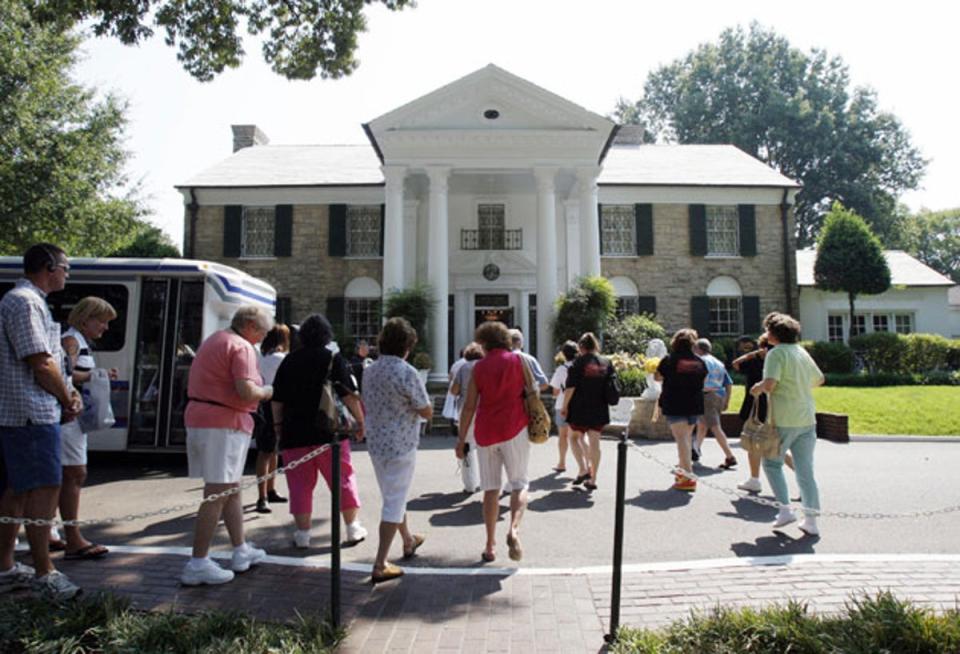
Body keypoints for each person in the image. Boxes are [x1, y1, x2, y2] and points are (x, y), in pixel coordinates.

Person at [0, 244, 83, 599]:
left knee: (17, 490)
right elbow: (41, 360)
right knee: (44, 488)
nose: (67, 274)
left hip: (26, 412)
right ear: (49, 267)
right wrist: (66, 397)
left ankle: (5, 569)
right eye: (65, 267)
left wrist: (66, 392)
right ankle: (44, 572)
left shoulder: (24, 300)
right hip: (31, 412)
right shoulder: (25, 301)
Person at [180, 305, 274, 586]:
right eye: (260, 331)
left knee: (230, 489)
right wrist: (267, 391)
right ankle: (198, 562)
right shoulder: (241, 347)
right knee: (218, 492)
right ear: (248, 326)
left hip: (207, 418)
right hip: (223, 422)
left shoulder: (216, 340)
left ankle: (240, 549)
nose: (261, 337)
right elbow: (246, 390)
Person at [270, 314, 367, 550]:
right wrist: (360, 422)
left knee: (300, 485)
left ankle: (303, 533)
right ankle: (352, 527)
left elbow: (277, 400)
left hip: (294, 432)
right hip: (329, 431)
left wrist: (278, 427)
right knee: (342, 479)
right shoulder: (332, 359)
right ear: (327, 335)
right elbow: (349, 396)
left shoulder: (288, 361)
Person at [361, 318, 432, 583]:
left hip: (376, 442)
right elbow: (424, 408)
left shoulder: (369, 370)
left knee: (392, 495)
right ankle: (380, 563)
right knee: (393, 501)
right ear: (406, 346)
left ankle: (407, 539)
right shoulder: (406, 371)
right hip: (401, 443)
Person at [456, 321, 530, 563]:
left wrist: (461, 439)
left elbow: (468, 407)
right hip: (515, 427)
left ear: (483, 342)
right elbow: (537, 389)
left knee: (490, 489)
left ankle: (490, 545)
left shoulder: (478, 367)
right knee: (518, 484)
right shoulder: (519, 361)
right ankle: (514, 530)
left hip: (486, 431)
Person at [751, 312, 825, 535]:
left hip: (783, 417)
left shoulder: (776, 354)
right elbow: (819, 379)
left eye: (768, 330)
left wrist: (758, 387)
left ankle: (785, 509)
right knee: (805, 470)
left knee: (771, 463)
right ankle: (811, 520)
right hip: (806, 417)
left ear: (774, 333)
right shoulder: (801, 352)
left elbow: (771, 384)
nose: (765, 334)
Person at [58, 296, 120, 560]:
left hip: (73, 418)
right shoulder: (72, 342)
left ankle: (53, 531)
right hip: (70, 418)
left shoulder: (75, 341)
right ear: (86, 319)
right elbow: (66, 374)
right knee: (74, 474)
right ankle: (73, 538)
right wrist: (99, 375)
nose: (105, 328)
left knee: (63, 476)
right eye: (102, 322)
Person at [732, 336, 795, 493]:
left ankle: (755, 479)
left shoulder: (756, 361)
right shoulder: (782, 361)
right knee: (773, 443)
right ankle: (755, 479)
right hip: (776, 406)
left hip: (757, 406)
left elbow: (736, 364)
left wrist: (753, 354)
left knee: (760, 442)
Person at [561, 333, 615, 491]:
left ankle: (583, 468)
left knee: (573, 437)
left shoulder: (578, 362)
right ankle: (593, 478)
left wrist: (565, 406)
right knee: (595, 443)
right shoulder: (606, 362)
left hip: (580, 407)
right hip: (599, 407)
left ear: (581, 347)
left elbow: (570, 387)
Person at [655, 329, 708, 492]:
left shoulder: (669, 360)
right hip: (695, 403)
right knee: (686, 438)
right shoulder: (699, 362)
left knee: (682, 441)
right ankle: (683, 473)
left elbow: (657, 377)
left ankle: (688, 477)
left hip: (675, 402)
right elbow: (704, 380)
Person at [254, 324, 291, 514]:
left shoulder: (262, 358)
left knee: (270, 451)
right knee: (267, 451)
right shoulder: (280, 358)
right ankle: (263, 495)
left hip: (263, 403)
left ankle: (268, 490)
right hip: (274, 403)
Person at [692, 338, 738, 470]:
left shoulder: (701, 361)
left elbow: (698, 380)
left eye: (694, 349)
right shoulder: (719, 363)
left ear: (698, 349)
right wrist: (727, 400)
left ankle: (730, 456)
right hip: (719, 395)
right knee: (702, 425)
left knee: (715, 427)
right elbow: (728, 383)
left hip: (707, 396)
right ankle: (695, 451)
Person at [450, 343, 484, 493]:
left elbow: (454, 390)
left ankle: (469, 485)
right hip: (485, 409)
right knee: (485, 447)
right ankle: (486, 481)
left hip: (466, 409)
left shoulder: (464, 368)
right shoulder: (485, 366)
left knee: (467, 446)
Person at [549, 341, 585, 477]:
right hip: (579, 405)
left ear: (564, 354)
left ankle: (562, 462)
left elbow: (555, 391)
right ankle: (584, 466)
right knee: (580, 436)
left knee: (563, 436)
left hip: (562, 405)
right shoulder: (582, 368)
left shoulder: (561, 369)